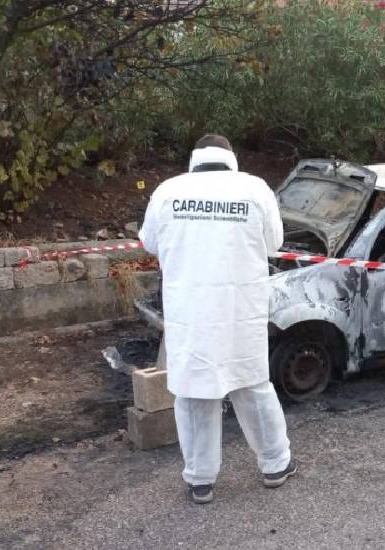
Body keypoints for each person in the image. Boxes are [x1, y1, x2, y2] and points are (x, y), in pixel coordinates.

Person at [139, 134, 296, 504]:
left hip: (191, 313)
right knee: (252, 387)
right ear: (231, 158)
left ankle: (200, 480)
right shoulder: (254, 189)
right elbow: (274, 242)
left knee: (195, 396)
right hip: (240, 310)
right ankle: (275, 465)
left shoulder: (167, 191)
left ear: (194, 158)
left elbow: (149, 243)